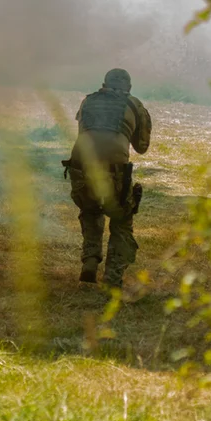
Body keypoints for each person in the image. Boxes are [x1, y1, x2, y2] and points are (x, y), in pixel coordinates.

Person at [63, 68, 152, 288]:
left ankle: (90, 261)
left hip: (81, 164)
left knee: (90, 210)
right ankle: (112, 277)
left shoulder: (88, 101)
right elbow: (142, 147)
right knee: (122, 219)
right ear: (128, 88)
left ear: (104, 83)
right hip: (114, 168)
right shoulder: (134, 104)